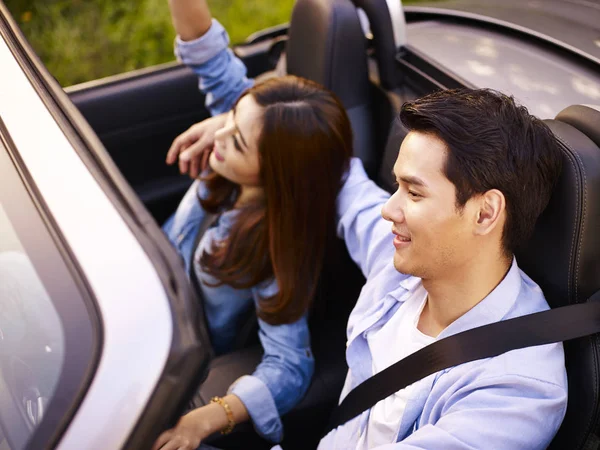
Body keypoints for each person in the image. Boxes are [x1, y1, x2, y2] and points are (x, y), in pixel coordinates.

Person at [158, 2, 568, 449]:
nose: (387, 210)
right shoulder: (403, 264)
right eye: (396, 187)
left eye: (413, 193)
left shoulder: (513, 392)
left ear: (485, 213)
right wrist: (239, 127)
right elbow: (330, 176)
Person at [155, 1, 353, 449]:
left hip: (163, 348)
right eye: (231, 118)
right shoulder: (256, 121)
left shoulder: (273, 253)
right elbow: (206, 52)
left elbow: (289, 365)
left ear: (276, 175)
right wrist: (229, 118)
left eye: (236, 140)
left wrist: (209, 416)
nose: (216, 135)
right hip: (133, 292)